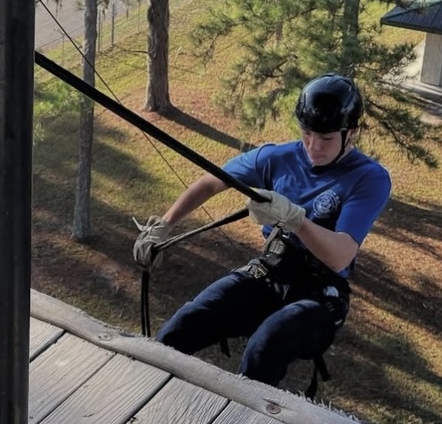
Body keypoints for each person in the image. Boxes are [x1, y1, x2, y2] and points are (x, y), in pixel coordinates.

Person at [133, 73, 392, 391]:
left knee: (265, 347)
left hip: (320, 296)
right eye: (307, 133)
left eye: (326, 138)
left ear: (351, 133)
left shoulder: (368, 178)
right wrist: (164, 226)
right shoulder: (277, 158)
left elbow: (340, 256)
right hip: (268, 274)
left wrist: (296, 220)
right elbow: (212, 181)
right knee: (181, 327)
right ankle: (148, 399)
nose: (313, 146)